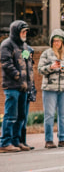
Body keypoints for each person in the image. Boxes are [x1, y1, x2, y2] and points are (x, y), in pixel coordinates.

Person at [38, 29, 64, 148]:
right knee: (49, 114)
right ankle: (49, 140)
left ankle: (62, 138)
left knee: (63, 114)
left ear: (63, 42)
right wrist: (50, 67)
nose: (56, 43)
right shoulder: (46, 53)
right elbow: (40, 69)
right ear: (51, 42)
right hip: (49, 88)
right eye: (54, 41)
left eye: (59, 41)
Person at [0, 20, 34, 153]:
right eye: (23, 31)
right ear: (16, 32)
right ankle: (4, 143)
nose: (25, 34)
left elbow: (28, 64)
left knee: (21, 116)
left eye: (26, 31)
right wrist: (18, 75)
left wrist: (28, 82)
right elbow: (6, 63)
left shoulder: (25, 46)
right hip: (12, 86)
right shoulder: (7, 45)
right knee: (10, 115)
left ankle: (16, 141)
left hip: (24, 87)